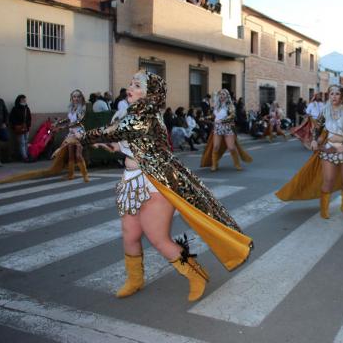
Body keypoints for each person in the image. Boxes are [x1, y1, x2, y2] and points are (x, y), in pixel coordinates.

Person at [61, 71, 252, 302]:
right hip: (131, 179)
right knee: (129, 234)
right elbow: (129, 143)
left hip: (154, 182)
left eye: (137, 85)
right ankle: (135, 279)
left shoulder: (146, 115)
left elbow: (112, 131)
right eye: (131, 83)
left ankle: (195, 275)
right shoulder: (130, 114)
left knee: (157, 237)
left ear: (150, 94)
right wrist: (116, 148)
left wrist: (81, 137)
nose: (130, 87)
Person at [276, 85, 343, 219]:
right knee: (328, 181)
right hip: (328, 151)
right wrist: (314, 140)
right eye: (331, 94)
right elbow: (317, 129)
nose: (334, 96)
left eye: (337, 94)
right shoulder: (325, 112)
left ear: (342, 96)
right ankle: (324, 209)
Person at [200, 89, 252, 171]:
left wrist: (222, 120)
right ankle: (214, 164)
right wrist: (205, 118)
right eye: (220, 94)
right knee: (216, 147)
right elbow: (213, 116)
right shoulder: (217, 106)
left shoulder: (230, 106)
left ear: (227, 96)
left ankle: (237, 164)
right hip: (217, 128)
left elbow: (232, 116)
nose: (221, 96)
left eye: (223, 94)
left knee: (231, 148)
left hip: (227, 128)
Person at [52, 90, 90, 182]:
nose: (76, 98)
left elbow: (78, 122)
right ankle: (71, 174)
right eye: (74, 97)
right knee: (71, 154)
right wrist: (58, 123)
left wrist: (62, 128)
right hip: (71, 133)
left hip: (79, 133)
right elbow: (69, 120)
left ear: (81, 98)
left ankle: (85, 175)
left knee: (78, 154)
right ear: (71, 98)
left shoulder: (83, 108)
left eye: (78, 96)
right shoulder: (71, 107)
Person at [9, 95, 32, 162]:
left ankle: (26, 155)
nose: (24, 101)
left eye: (25, 99)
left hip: (26, 128)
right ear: (19, 100)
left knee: (26, 141)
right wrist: (16, 125)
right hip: (18, 128)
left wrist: (28, 125)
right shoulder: (15, 109)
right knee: (22, 142)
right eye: (23, 100)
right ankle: (24, 157)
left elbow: (29, 118)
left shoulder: (26, 108)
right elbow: (12, 119)